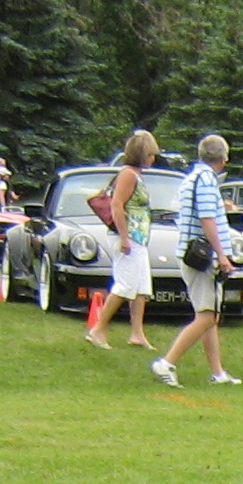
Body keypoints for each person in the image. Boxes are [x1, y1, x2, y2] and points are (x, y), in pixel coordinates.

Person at [152, 135, 240, 387]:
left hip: (192, 252)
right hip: (203, 257)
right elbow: (207, 218)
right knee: (207, 316)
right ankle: (167, 362)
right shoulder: (206, 181)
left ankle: (218, 372)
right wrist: (221, 254)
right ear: (223, 158)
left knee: (209, 316)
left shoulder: (192, 177)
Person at [86, 129, 158, 351]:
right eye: (151, 154)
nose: (153, 158)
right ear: (142, 154)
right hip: (128, 237)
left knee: (141, 286)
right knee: (125, 284)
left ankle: (137, 333)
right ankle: (97, 329)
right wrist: (125, 237)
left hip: (139, 238)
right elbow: (117, 205)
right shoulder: (128, 175)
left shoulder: (136, 175)